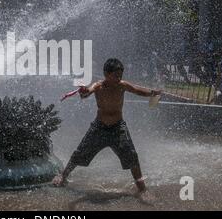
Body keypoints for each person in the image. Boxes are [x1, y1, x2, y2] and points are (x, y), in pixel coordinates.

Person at [52, 58, 161, 199]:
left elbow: (137, 90)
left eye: (120, 75)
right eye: (116, 75)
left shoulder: (122, 85)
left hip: (118, 128)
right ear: (106, 74)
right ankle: (63, 176)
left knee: (132, 156)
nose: (119, 78)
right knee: (80, 152)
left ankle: (142, 190)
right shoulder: (98, 86)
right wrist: (83, 91)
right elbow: (86, 94)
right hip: (99, 127)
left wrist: (152, 93)